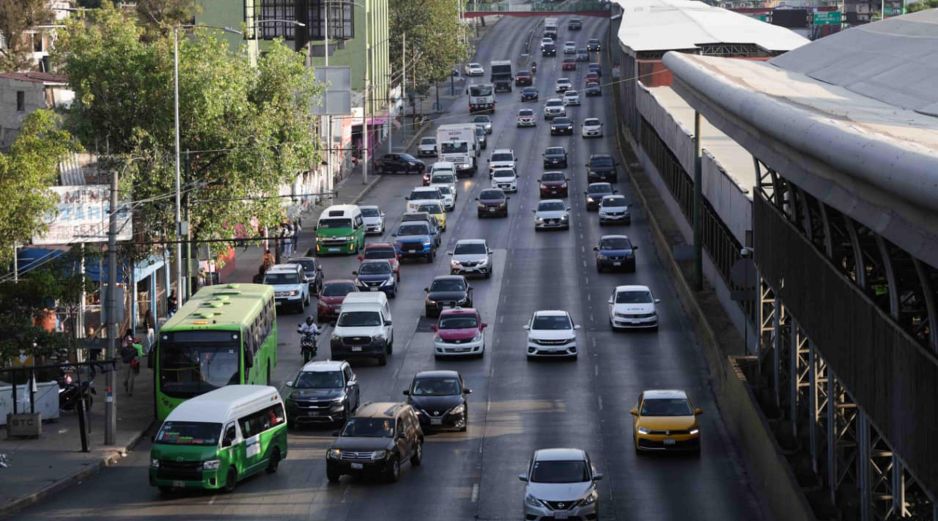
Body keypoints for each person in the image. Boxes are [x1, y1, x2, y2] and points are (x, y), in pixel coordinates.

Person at [119, 329, 138, 396]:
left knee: (132, 379)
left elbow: (137, 353)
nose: (130, 341)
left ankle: (130, 392)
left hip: (132, 363)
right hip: (126, 363)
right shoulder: (124, 345)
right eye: (128, 341)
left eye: (130, 341)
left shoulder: (134, 343)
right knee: (126, 378)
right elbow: (121, 353)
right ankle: (126, 384)